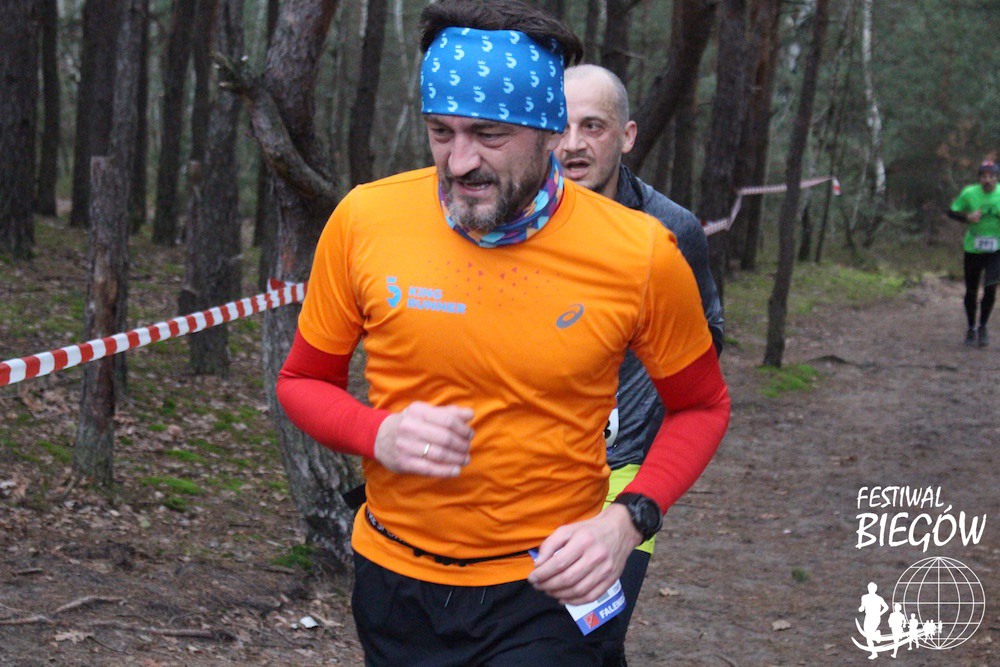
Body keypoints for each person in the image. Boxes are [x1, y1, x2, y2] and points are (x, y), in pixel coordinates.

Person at [276, 1, 730, 664]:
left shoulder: (639, 254)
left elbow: (702, 405)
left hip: (548, 588)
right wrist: (378, 433)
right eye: (441, 132)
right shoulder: (365, 221)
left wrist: (628, 519)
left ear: (549, 131)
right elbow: (301, 381)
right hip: (394, 582)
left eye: (488, 134)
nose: (459, 162)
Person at [557, 63, 724, 667]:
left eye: (592, 126)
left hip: (623, 472)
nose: (572, 145)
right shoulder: (513, 219)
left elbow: (708, 335)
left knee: (592, 636)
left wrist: (642, 398)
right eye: (560, 126)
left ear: (626, 136)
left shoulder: (670, 228)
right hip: (531, 468)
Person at [948, 160, 1000, 348]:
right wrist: (967, 217)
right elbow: (951, 212)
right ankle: (971, 327)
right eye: (984, 176)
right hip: (973, 248)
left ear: (997, 178)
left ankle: (983, 326)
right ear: (979, 178)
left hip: (996, 250)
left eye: (991, 176)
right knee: (971, 290)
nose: (987, 180)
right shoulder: (969, 193)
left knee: (990, 288)